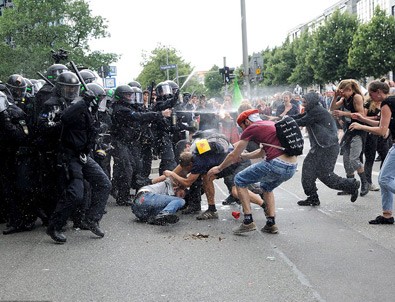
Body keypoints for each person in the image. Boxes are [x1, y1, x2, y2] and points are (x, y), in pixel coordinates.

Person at [207, 109, 298, 234]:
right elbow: (261, 152)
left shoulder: (252, 128)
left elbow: (233, 155)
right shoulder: (269, 125)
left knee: (239, 180)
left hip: (276, 164)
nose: (243, 131)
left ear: (247, 122)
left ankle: (248, 221)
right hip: (292, 166)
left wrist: (219, 168)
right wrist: (245, 156)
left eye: (242, 127)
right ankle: (271, 224)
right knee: (266, 187)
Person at [291, 92, 360, 206]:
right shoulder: (313, 110)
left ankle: (314, 196)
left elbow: (301, 121)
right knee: (324, 175)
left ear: (311, 101)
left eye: (305, 101)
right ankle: (350, 185)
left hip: (325, 147)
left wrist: (285, 122)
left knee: (310, 171)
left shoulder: (316, 111)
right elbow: (299, 117)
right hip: (325, 147)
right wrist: (285, 118)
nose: (303, 104)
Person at [349, 80, 395, 225]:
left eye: (371, 93)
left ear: (379, 92)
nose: (369, 97)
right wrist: (362, 119)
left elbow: (382, 130)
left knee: (384, 179)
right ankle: (387, 215)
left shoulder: (387, 103)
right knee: (384, 177)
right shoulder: (392, 101)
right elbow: (383, 123)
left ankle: (387, 215)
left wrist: (361, 127)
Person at [330, 79, 369, 197]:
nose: (341, 93)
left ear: (350, 89)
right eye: (340, 91)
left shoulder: (356, 97)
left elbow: (361, 114)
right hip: (348, 130)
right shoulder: (343, 98)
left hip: (358, 130)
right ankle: (350, 186)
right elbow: (332, 108)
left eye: (343, 91)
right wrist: (335, 97)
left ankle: (364, 182)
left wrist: (344, 114)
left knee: (354, 158)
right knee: (346, 160)